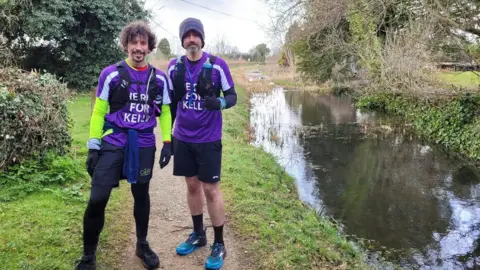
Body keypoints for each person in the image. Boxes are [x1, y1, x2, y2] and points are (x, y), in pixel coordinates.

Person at [75, 20, 173, 270]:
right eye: (133, 42)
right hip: (113, 141)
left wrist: (167, 141)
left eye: (143, 43)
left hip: (142, 143)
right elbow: (99, 111)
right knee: (97, 198)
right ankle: (88, 256)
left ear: (149, 47)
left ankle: (142, 244)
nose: (138, 47)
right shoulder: (111, 74)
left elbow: (163, 111)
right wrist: (93, 146)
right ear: (126, 45)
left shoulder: (159, 79)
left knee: (141, 194)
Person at [167, 17, 237, 270]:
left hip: (209, 139)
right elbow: (170, 102)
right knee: (192, 185)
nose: (191, 39)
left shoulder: (217, 66)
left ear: (202, 39)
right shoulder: (174, 67)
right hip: (183, 137)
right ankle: (199, 234)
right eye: (187, 35)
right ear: (183, 40)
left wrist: (219, 103)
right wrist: (168, 138)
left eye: (195, 35)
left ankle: (219, 243)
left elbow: (232, 96)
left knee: (211, 189)